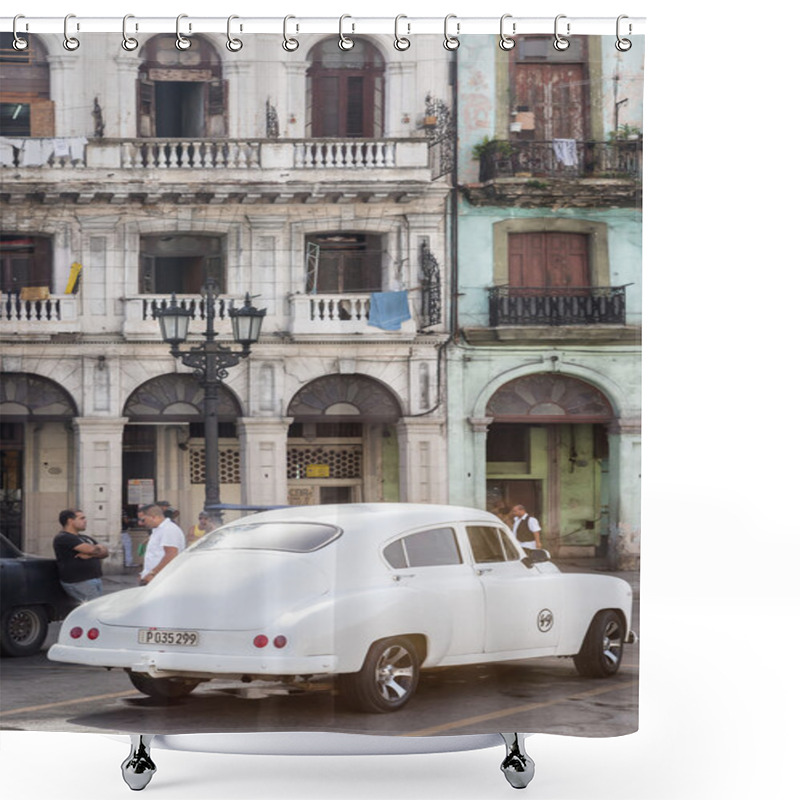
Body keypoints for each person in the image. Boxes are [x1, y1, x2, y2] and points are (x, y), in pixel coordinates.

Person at [53, 509, 108, 602]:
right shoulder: (64, 537)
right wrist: (95, 550)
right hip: (79, 582)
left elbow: (105, 553)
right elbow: (92, 549)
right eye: (81, 518)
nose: (85, 521)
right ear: (70, 521)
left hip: (94, 579)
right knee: (93, 610)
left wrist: (91, 555)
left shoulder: (85, 538)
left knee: (97, 607)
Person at [138, 503, 185, 586]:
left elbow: (171, 555)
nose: (140, 523)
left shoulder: (169, 529)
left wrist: (153, 573)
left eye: (143, 520)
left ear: (153, 517)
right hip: (155, 579)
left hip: (163, 579)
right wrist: (144, 573)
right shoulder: (158, 530)